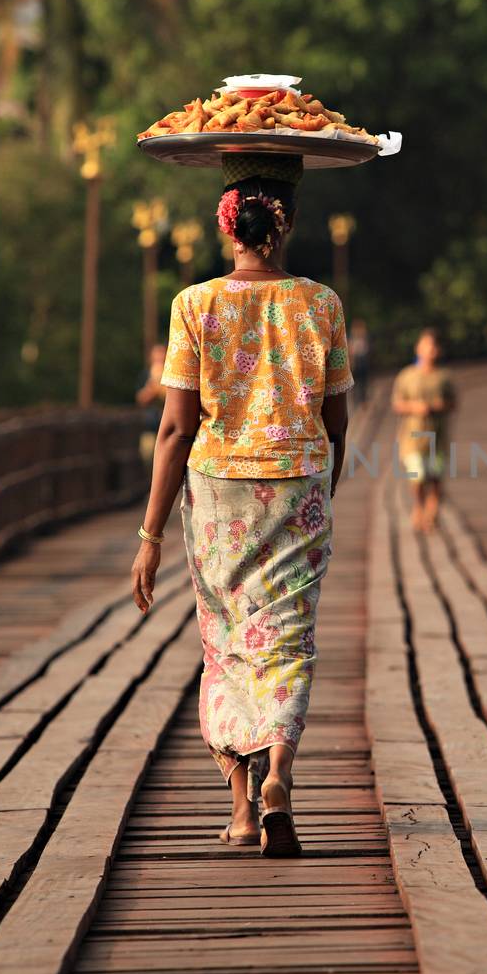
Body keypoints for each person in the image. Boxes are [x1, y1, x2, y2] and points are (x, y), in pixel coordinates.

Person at [130, 153, 352, 858]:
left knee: (227, 643)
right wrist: (322, 489)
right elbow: (338, 420)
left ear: (227, 223)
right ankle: (279, 771)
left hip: (220, 491)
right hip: (300, 486)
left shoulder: (194, 305)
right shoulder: (320, 304)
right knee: (285, 638)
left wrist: (150, 533)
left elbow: (174, 427)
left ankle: (241, 808)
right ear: (286, 223)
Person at [391, 329, 456, 533]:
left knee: (435, 477)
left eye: (434, 346)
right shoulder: (407, 375)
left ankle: (432, 509)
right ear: (418, 348)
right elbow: (397, 403)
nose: (430, 350)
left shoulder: (444, 377)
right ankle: (419, 505)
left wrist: (438, 406)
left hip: (437, 437)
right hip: (412, 438)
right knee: (417, 476)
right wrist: (414, 407)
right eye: (426, 345)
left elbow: (453, 403)